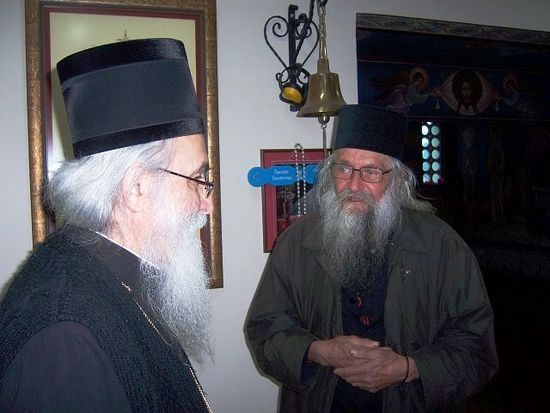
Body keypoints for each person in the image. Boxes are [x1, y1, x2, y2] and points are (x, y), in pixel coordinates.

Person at [0, 38, 215, 412]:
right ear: (137, 188)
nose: (207, 203)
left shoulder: (121, 271)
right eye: (197, 178)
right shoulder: (63, 337)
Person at [245, 104, 498, 412]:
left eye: (371, 172)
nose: (354, 185)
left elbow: (477, 348)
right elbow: (264, 330)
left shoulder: (442, 246)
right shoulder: (297, 242)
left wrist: (408, 368)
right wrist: (318, 351)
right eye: (343, 168)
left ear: (397, 180)